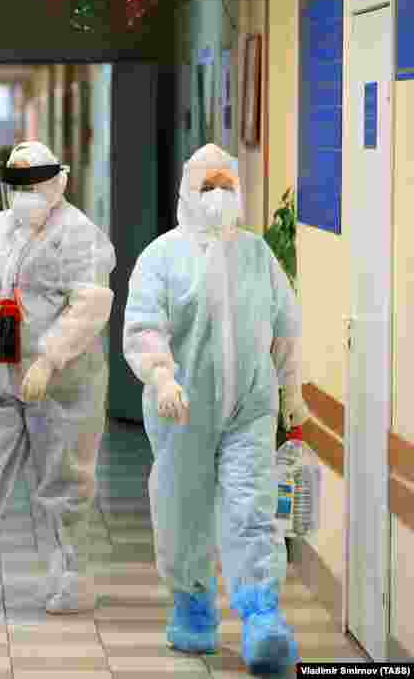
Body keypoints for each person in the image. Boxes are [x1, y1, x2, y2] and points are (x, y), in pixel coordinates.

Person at [123, 143, 310, 674]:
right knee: (184, 506)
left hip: (251, 405)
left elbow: (286, 327)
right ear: (187, 192)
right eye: (209, 187)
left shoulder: (257, 254)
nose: (220, 196)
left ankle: (262, 619)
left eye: (228, 186)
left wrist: (291, 391)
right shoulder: (162, 256)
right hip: (182, 408)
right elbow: (142, 325)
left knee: (252, 508)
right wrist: (160, 375)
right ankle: (194, 607)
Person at [0, 141, 116, 614]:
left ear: (59, 182)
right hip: (0, 379)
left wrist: (49, 360)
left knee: (64, 481)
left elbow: (90, 305)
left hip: (65, 385)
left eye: (39, 185)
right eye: (20, 187)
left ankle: (70, 575)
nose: (29, 195)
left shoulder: (81, 237)